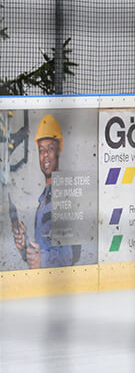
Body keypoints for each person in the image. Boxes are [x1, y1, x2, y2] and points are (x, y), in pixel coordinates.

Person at [11, 114, 80, 268]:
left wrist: (42, 260)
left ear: (59, 150)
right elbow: (43, 250)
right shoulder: (44, 198)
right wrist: (25, 247)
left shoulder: (63, 194)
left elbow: (68, 256)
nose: (45, 155)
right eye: (41, 150)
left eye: (50, 148)